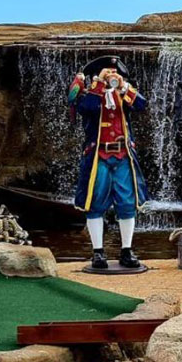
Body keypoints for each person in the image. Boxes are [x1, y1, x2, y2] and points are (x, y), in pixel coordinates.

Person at [67, 55, 149, 269]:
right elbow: (86, 108)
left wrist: (123, 87)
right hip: (99, 157)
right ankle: (98, 252)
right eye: (108, 73)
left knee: (127, 203)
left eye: (115, 73)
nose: (112, 76)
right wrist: (98, 85)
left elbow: (142, 105)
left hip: (123, 156)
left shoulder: (123, 93)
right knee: (94, 203)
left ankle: (126, 250)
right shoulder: (90, 94)